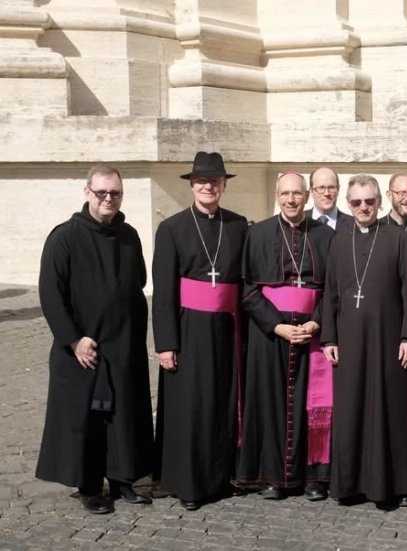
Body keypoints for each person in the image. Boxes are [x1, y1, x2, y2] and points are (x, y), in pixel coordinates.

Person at [36, 165, 154, 514]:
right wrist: (74, 340)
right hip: (82, 348)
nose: (108, 199)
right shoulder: (65, 236)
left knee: (122, 417)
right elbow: (50, 293)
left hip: (122, 345)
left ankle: (122, 481)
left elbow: (138, 282)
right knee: (87, 420)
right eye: (101, 192)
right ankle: (89, 487)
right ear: (87, 192)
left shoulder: (128, 235)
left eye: (115, 193)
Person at [152, 151, 248, 511]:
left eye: (216, 181)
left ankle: (222, 477)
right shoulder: (172, 228)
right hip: (189, 329)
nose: (209, 186)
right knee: (193, 407)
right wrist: (166, 344)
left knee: (224, 404)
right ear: (192, 185)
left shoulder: (238, 225)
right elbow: (163, 293)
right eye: (202, 181)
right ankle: (189, 483)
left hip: (228, 327)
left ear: (224, 185)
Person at [320, 173, 407, 508]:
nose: (363, 207)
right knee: (352, 409)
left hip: (389, 338)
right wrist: (329, 337)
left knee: (392, 409)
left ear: (380, 202)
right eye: (356, 202)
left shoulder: (396, 239)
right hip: (349, 341)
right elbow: (329, 293)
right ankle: (350, 484)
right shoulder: (339, 240)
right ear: (348, 205)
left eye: (369, 201)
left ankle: (400, 484)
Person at [236, 171, 335, 501]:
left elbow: (334, 290)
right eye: (285, 194)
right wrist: (276, 326)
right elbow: (248, 290)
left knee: (312, 405)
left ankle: (313, 477)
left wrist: (316, 323)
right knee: (271, 404)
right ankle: (273, 477)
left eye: (297, 194)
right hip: (271, 335)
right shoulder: (259, 233)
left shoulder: (325, 236)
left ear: (307, 196)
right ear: (277, 196)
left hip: (312, 335)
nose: (292, 200)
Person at [305, 167, 353, 231]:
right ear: (311, 192)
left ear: (338, 190)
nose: (327, 193)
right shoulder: (298, 222)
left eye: (331, 187)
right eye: (321, 188)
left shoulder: (353, 224)